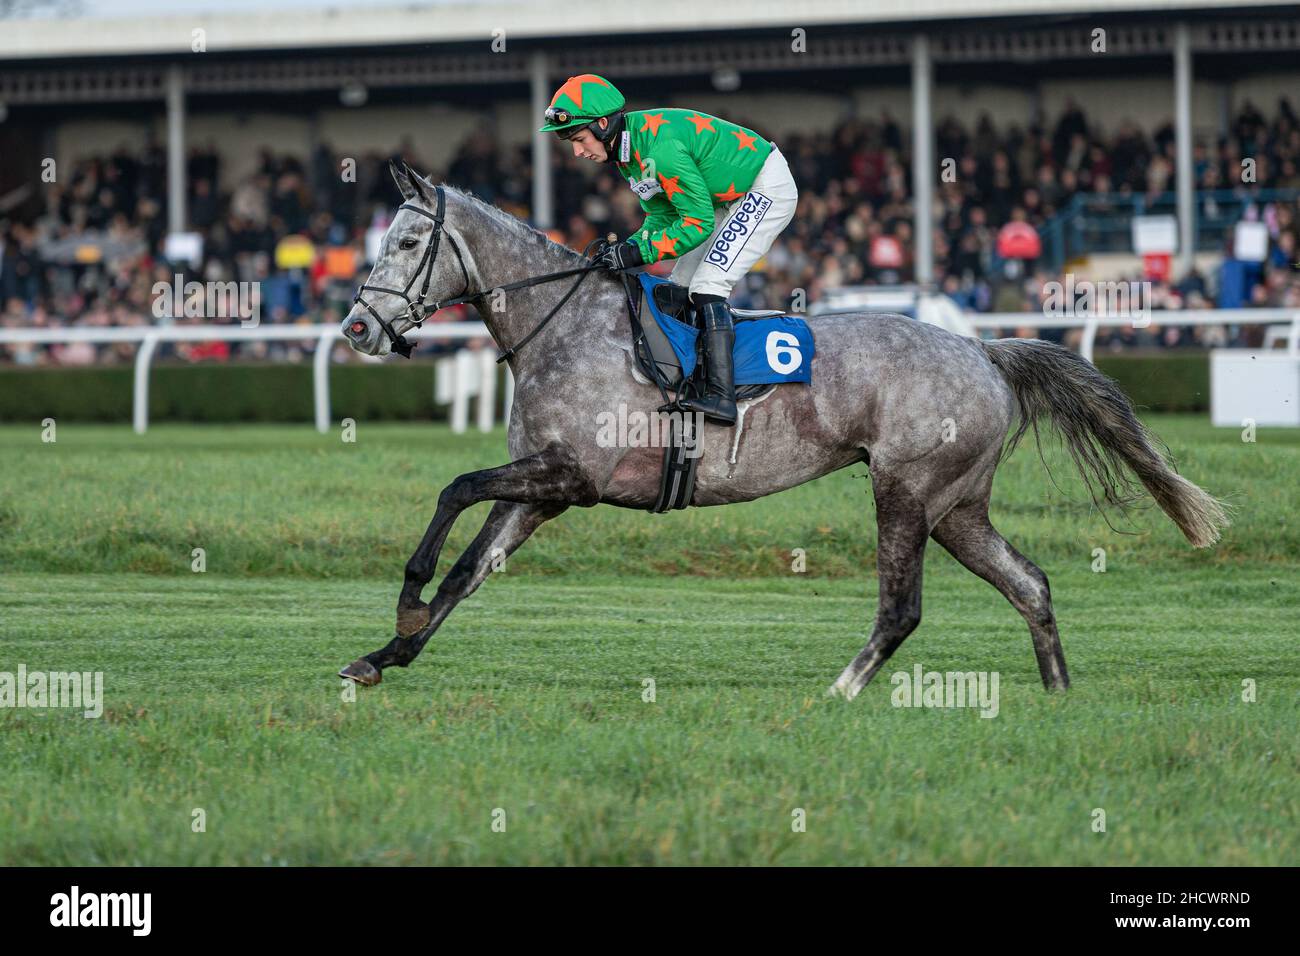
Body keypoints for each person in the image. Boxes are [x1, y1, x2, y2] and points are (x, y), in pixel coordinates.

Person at [540, 74, 799, 425]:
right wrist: (629, 246)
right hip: (723, 199)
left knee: (708, 285)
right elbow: (662, 215)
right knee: (679, 288)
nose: (577, 151)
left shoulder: (658, 149)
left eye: (579, 139)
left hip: (763, 187)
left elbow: (696, 224)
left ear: (603, 124)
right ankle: (691, 380)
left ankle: (722, 398)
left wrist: (638, 254)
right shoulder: (626, 152)